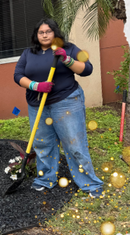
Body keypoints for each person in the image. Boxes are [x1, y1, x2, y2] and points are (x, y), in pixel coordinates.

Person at [13, 18, 104, 197]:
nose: (45, 35)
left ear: (55, 33)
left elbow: (87, 69)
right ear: (36, 35)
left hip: (66, 101)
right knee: (43, 144)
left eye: (48, 31)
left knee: (74, 143)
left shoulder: (69, 48)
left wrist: (67, 59)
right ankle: (45, 179)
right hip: (37, 104)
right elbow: (18, 75)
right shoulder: (28, 53)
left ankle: (89, 183)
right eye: (41, 32)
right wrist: (36, 86)